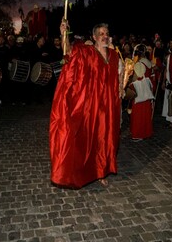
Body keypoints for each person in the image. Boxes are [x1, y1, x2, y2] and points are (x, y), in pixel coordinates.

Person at [49, 20, 121, 188]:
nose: (104, 36)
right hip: (92, 104)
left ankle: (102, 171)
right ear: (94, 37)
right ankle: (86, 171)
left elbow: (118, 78)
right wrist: (63, 34)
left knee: (106, 138)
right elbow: (68, 53)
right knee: (90, 138)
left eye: (106, 33)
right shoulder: (87, 52)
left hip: (109, 105)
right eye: (101, 34)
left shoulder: (114, 56)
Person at [127, 62, 155, 141]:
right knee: (145, 118)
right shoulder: (148, 80)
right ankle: (146, 133)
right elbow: (152, 89)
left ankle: (138, 134)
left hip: (137, 104)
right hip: (147, 103)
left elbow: (130, 95)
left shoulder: (133, 84)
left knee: (138, 120)